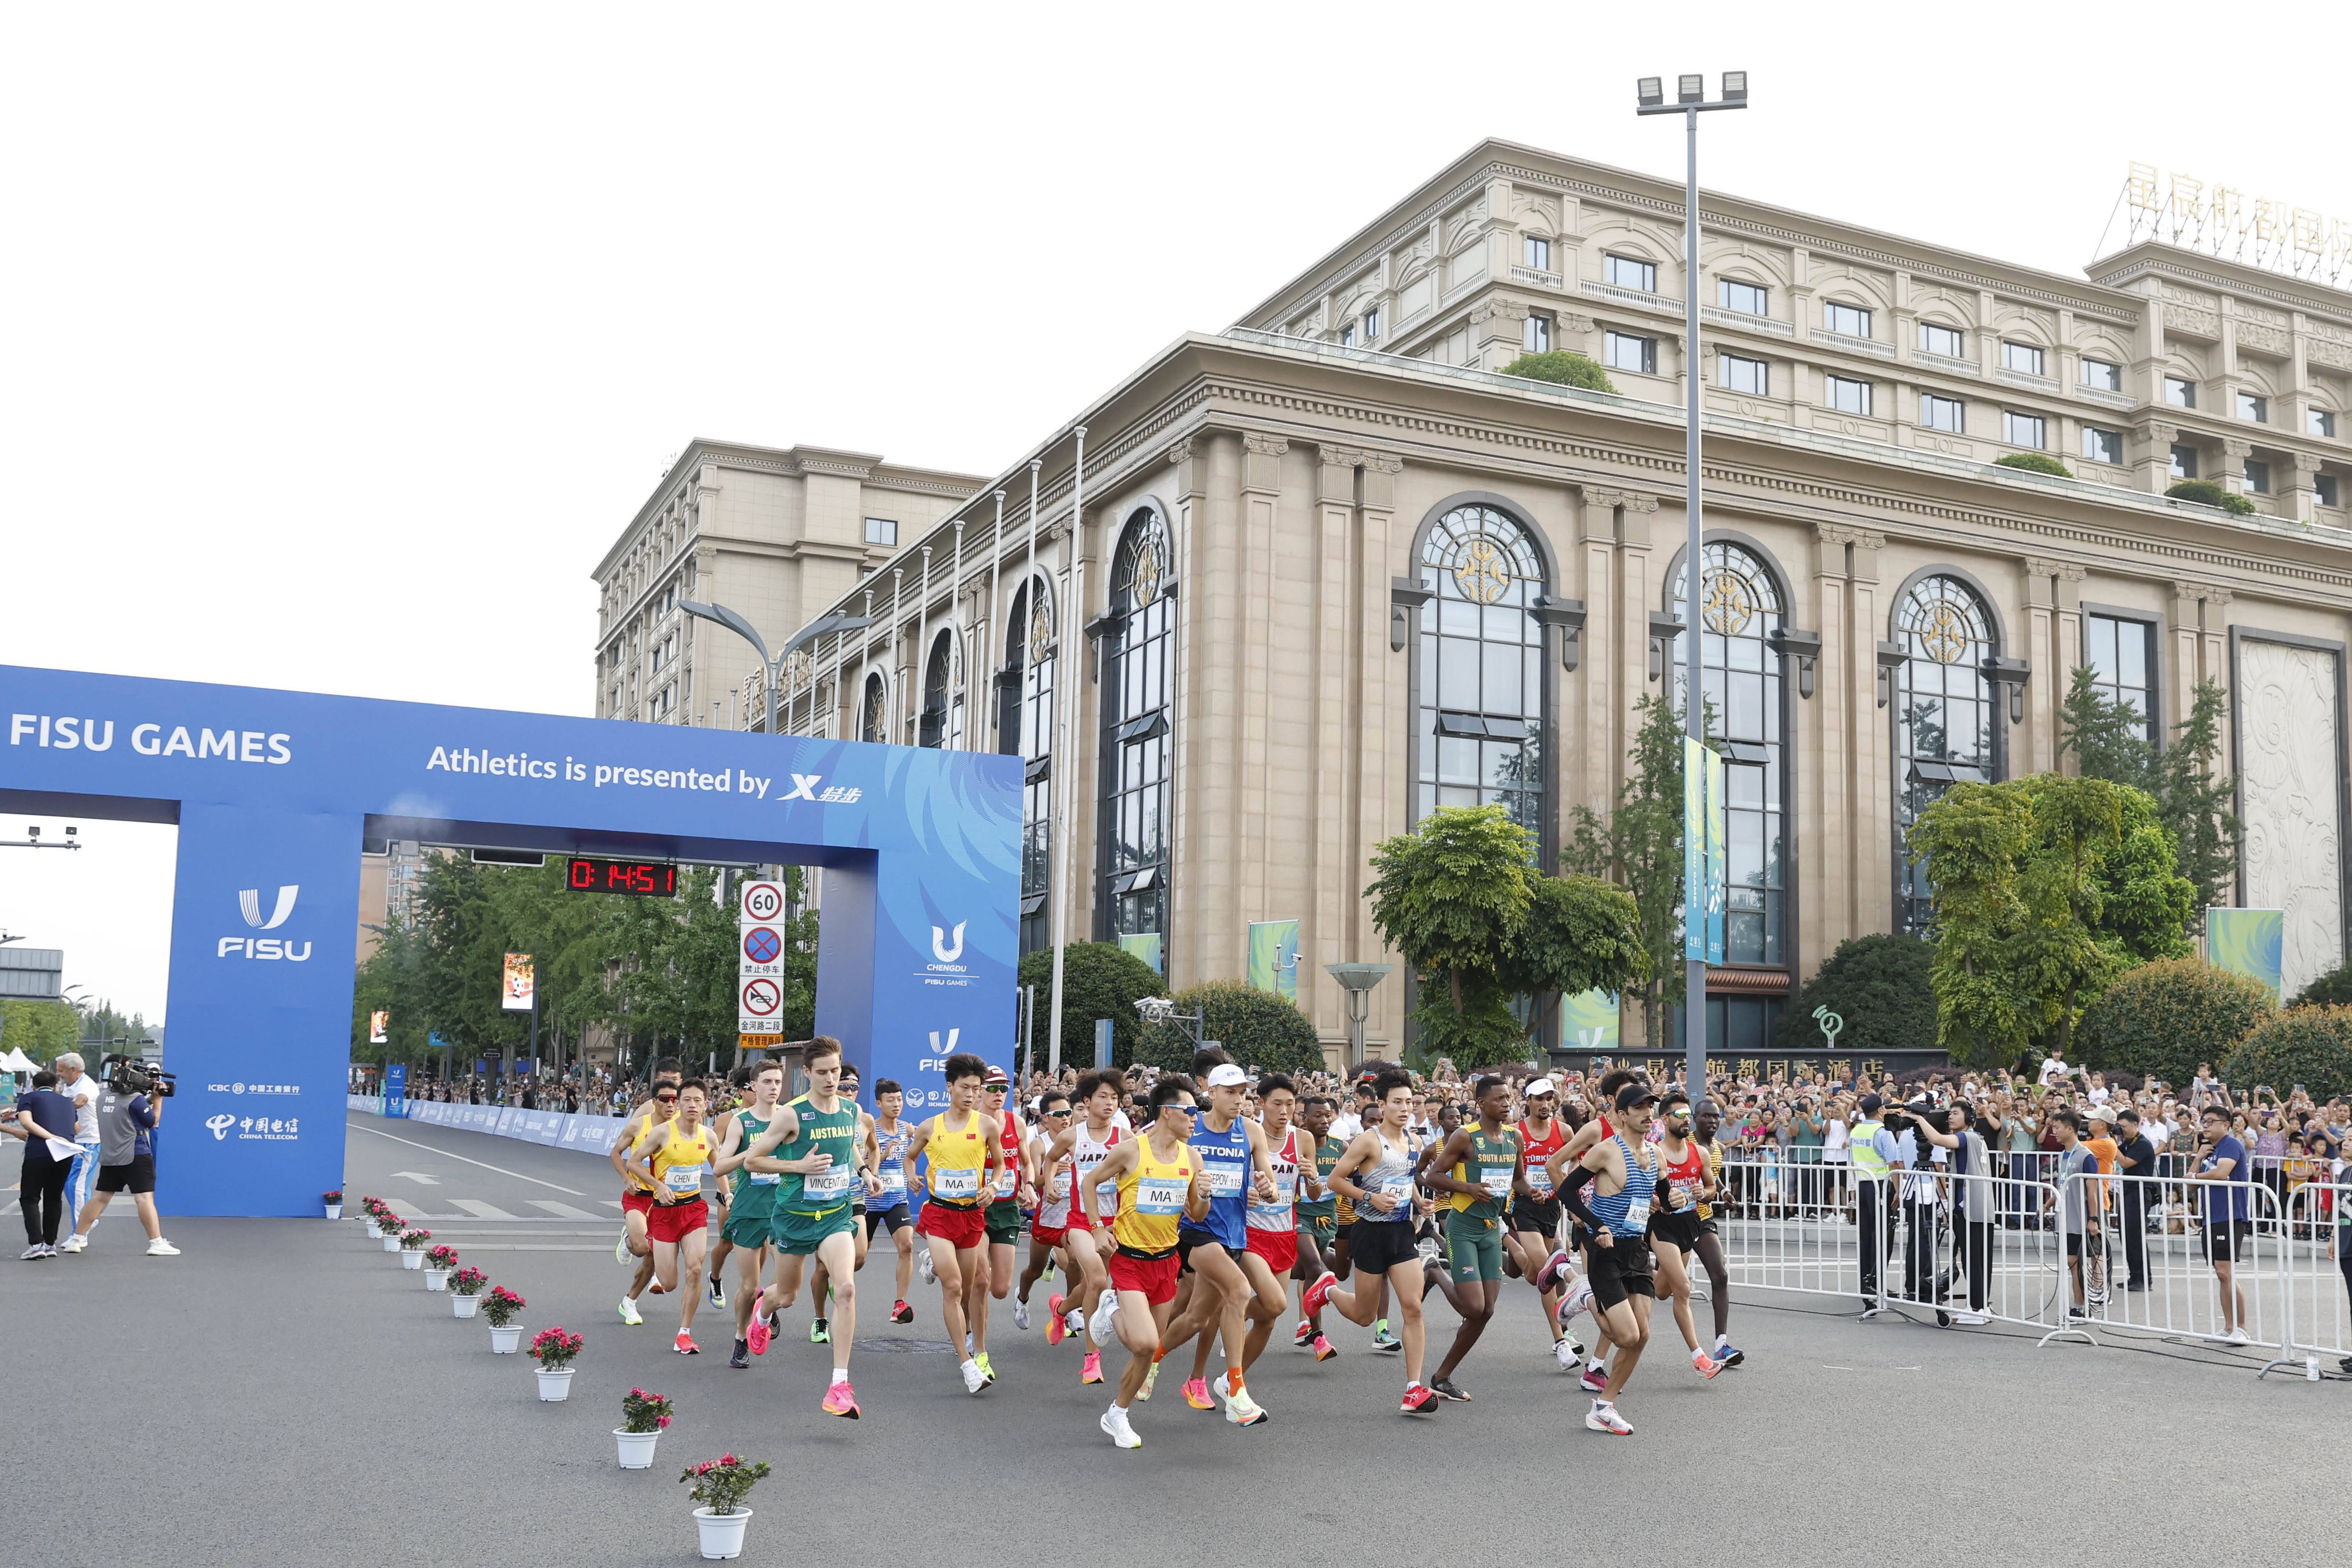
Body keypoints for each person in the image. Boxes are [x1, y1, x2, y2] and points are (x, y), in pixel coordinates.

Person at [742, 1038, 874, 1417]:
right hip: (794, 1218)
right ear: (806, 1074)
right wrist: (799, 1167)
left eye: (836, 1071)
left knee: (846, 1288)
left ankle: (839, 1385)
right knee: (787, 1295)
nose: (832, 1079)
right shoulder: (791, 1115)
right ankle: (763, 1312)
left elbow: (849, 1147)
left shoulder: (851, 1111)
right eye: (823, 1073)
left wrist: (865, 1173)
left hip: (835, 1215)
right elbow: (753, 1162)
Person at [1301, 1066, 1443, 1415]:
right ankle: (1327, 1290)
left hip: (1401, 1233)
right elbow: (1335, 1181)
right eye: (1398, 1102)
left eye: (1410, 1102)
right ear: (1382, 1104)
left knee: (1413, 1307)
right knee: (1364, 1316)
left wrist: (1416, 1200)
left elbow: (1406, 1177)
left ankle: (1413, 1389)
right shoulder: (1368, 1140)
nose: (1406, 1108)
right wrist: (1369, 1199)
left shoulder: (1414, 1140)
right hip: (1369, 1232)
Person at [1082, 1074, 1211, 1449]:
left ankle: (1117, 1414)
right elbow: (1090, 1182)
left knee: (1149, 1349)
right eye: (1189, 1112)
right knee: (1144, 1342)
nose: (1194, 1119)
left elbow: (1198, 1215)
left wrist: (1204, 1195)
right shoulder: (1132, 1150)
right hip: (1129, 1259)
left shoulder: (1192, 1157)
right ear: (1167, 1112)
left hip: (1166, 1261)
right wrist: (1096, 1229)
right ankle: (1111, 1309)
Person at [1155, 1061, 1278, 1425]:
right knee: (1239, 1291)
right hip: (1193, 1230)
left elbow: (1268, 1185)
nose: (1238, 1100)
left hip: (1234, 1235)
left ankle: (1151, 1362)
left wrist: (1268, 1190)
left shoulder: (1253, 1132)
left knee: (1196, 1318)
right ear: (1211, 1093)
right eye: (1230, 1092)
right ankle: (1236, 1390)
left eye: (1242, 1093)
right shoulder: (1190, 1130)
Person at [1557, 1084, 1663, 1435]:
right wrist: (1595, 1224)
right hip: (1605, 1249)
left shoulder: (1656, 1154)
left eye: (1651, 1107)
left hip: (1636, 1250)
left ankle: (1604, 1407)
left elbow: (1663, 1194)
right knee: (1627, 1335)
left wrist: (1677, 1196)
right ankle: (1584, 1296)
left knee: (1642, 1335)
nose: (1648, 1114)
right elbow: (1567, 1191)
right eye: (1639, 1108)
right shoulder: (1605, 1151)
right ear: (1621, 1114)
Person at [902, 1053, 1005, 1394]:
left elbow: (1001, 1165)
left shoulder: (987, 1125)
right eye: (965, 1087)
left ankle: (933, 1263)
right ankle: (967, 1362)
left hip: (971, 1216)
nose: (972, 1094)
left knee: (969, 1289)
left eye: (977, 1089)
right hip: (940, 1214)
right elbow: (910, 1157)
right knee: (954, 1287)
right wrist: (912, 1176)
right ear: (950, 1087)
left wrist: (992, 1185)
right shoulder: (931, 1126)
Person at [1414, 1074, 1521, 1401]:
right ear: (1482, 1104)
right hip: (1462, 1227)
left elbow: (1520, 1182)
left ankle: (1442, 1377)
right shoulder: (1465, 1137)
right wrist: (1469, 1188)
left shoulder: (1515, 1138)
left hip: (1491, 1231)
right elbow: (1433, 1175)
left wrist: (1543, 1193)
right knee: (1475, 1307)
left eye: (1509, 1098)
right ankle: (1434, 1270)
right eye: (1499, 1099)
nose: (1507, 1103)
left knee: (1486, 1312)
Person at [621, 1078, 717, 1354]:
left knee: (696, 1268)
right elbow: (633, 1162)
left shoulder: (708, 1136)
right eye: (685, 1100)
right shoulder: (662, 1133)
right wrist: (659, 1186)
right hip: (663, 1213)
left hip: (694, 1209)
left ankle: (684, 1334)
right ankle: (637, 1236)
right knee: (670, 1283)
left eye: (697, 1101)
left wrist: (729, 1194)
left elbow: (719, 1167)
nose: (691, 1105)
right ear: (678, 1103)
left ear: (705, 1106)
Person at [1643, 1091, 1723, 1379]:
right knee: (1684, 1289)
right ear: (1665, 1119)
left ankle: (1637, 1276)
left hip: (1689, 1224)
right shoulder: (1652, 1152)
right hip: (1662, 1226)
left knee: (1663, 1291)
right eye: (1680, 1115)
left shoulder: (1699, 1153)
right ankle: (1700, 1357)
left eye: (1689, 1115)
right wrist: (1653, 1200)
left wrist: (1705, 1193)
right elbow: (1637, 1188)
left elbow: (1711, 1188)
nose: (1687, 1120)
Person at [59, 1064, 175, 1256]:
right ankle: (156, 1242)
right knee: (144, 1198)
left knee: (100, 1197)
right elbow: (153, 1122)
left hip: (111, 1153)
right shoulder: (135, 1100)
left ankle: (77, 1238)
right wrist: (158, 1100)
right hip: (135, 1153)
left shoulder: (103, 1097)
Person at [712, 1060, 785, 1369]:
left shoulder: (789, 1118)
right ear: (754, 1086)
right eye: (767, 1082)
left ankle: (766, 1308)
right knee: (747, 1285)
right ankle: (741, 1338)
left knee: (785, 1280)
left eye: (778, 1082)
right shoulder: (741, 1122)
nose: (773, 1088)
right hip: (748, 1212)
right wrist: (750, 1153)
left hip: (784, 1210)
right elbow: (719, 1167)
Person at [1506, 1077, 1577, 1369]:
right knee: (1549, 1270)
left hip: (1552, 1207)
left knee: (1534, 1275)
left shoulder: (1565, 1131)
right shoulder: (1515, 1133)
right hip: (1524, 1206)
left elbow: (1577, 1163)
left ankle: (1505, 1241)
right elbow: (1510, 1173)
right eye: (1539, 1099)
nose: (1545, 1104)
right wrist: (1527, 1189)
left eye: (1550, 1099)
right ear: (1528, 1102)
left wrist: (1565, 1186)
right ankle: (1562, 1341)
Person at [612, 1058, 685, 1325]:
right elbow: (617, 1153)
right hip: (639, 1196)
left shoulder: (683, 1125)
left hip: (665, 1201)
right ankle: (630, 1237)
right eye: (664, 1099)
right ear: (655, 1100)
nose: (670, 1104)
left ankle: (629, 1302)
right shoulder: (639, 1122)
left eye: (674, 1100)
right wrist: (625, 1178)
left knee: (653, 1256)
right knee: (642, 1247)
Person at [2183, 1104, 2252, 1345]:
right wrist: (2199, 1158)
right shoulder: (2208, 1150)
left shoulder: (2231, 1144)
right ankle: (2229, 1327)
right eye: (2203, 1121)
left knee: (2226, 1272)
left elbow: (2222, 1174)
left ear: (2226, 1124)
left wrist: (2195, 1177)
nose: (2206, 1125)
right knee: (2221, 1274)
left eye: (2211, 1121)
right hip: (2210, 1217)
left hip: (2230, 1215)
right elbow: (2190, 1186)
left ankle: (2241, 1328)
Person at [6, 1071, 79, 1257]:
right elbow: (76, 1128)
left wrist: (50, 1136)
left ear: (34, 1086)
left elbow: (26, 1122)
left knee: (30, 1197)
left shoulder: (29, 1098)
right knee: (54, 1197)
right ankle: (50, 1244)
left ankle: (35, 1245)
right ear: (55, 1086)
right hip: (65, 1153)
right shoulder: (66, 1102)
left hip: (39, 1152)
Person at [866, 1078, 917, 1323]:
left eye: (900, 1099)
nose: (897, 1104)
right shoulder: (870, 1130)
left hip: (897, 1200)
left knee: (907, 1246)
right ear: (879, 1103)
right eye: (891, 1100)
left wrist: (913, 1177)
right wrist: (882, 1155)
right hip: (869, 1202)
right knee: (857, 1259)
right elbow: (862, 1164)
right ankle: (837, 1281)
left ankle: (900, 1304)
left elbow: (913, 1157)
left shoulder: (907, 1129)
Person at [49, 1053, 103, 1238]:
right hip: (72, 1141)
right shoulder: (69, 1085)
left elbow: (81, 1101)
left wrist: (57, 1110)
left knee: (76, 1187)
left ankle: (79, 1233)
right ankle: (89, 1219)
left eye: (61, 1071)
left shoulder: (86, 1085)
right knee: (69, 1185)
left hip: (87, 1142)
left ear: (74, 1070)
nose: (59, 1075)